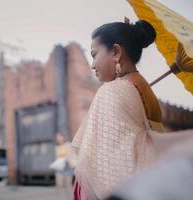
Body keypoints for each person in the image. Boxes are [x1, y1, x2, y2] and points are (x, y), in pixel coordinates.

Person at [70, 19, 164, 200]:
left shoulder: (113, 90)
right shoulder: (145, 89)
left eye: (94, 54)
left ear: (116, 52)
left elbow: (101, 168)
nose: (92, 64)